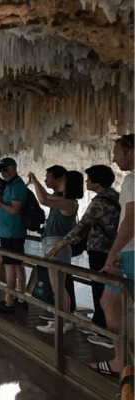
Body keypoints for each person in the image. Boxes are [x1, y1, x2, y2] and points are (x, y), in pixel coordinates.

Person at [46, 165, 120, 345]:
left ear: (97, 181)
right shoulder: (116, 197)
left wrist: (60, 245)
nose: (86, 182)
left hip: (100, 250)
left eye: (88, 179)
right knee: (108, 291)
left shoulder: (99, 202)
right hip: (114, 249)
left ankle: (106, 333)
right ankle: (100, 325)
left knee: (100, 291)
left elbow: (82, 226)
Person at [90, 134, 134, 378]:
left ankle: (120, 361)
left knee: (109, 302)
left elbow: (131, 220)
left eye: (118, 152)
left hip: (130, 252)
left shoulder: (131, 179)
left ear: (132, 152)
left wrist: (112, 255)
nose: (114, 158)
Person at [29, 167, 83, 334]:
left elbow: (43, 200)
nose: (60, 183)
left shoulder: (69, 202)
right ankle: (64, 320)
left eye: (63, 180)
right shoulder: (64, 200)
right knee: (58, 287)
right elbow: (46, 196)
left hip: (57, 246)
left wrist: (35, 181)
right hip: (53, 245)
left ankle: (61, 322)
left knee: (58, 287)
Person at [0, 157, 28, 314]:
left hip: (12, 232)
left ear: (13, 168)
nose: (4, 173)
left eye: (6, 169)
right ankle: (21, 298)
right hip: (9, 232)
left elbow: (15, 209)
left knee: (11, 266)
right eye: (2, 170)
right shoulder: (11, 185)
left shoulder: (16, 186)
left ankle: (9, 301)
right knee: (17, 265)